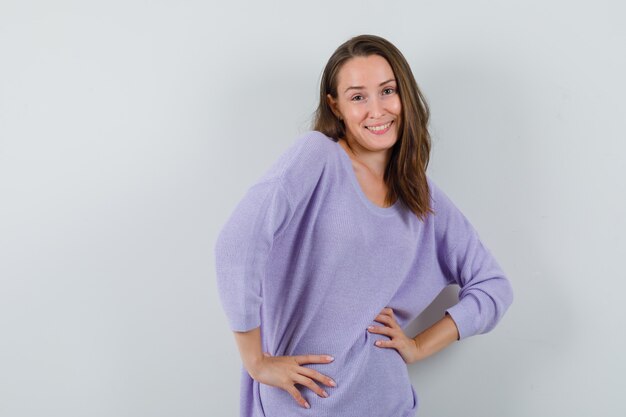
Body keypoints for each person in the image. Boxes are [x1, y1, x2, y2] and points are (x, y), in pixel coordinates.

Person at [214, 34, 513, 417]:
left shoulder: (419, 194)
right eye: (358, 97)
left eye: (387, 91)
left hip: (388, 402)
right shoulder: (317, 158)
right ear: (335, 106)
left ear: (404, 95)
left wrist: (418, 346)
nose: (377, 110)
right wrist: (255, 361)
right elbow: (235, 246)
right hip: (302, 403)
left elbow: (494, 286)